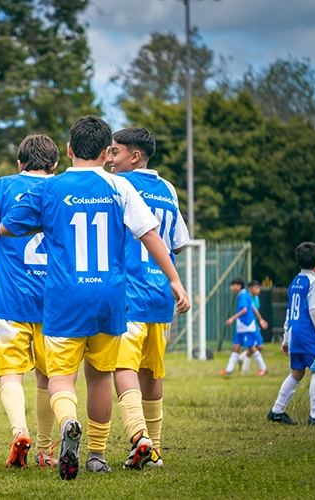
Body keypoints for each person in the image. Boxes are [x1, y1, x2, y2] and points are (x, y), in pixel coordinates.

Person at [0, 115, 190, 480]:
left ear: (69, 150)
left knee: (60, 377)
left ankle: (69, 421)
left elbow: (9, 226)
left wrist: (46, 222)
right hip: (109, 296)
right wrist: (175, 280)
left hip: (65, 299)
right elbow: (150, 234)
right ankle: (97, 456)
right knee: (101, 377)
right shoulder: (120, 188)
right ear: (106, 153)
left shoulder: (50, 189)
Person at [0, 134, 60, 469]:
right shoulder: (61, 187)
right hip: (54, 302)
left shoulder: (4, 186)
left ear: (20, 163)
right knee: (49, 378)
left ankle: (20, 430)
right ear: (54, 165)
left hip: (10, 298)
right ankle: (47, 450)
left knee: (11, 374)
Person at [108, 126, 190, 470]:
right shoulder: (167, 188)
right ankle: (154, 450)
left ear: (134, 156)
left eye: (114, 152)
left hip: (129, 292)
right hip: (161, 295)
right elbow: (178, 242)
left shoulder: (120, 186)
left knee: (121, 366)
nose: (109, 159)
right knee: (152, 374)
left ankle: (139, 436)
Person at [268, 242, 315, 427]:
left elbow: (289, 312)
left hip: (294, 333)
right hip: (308, 333)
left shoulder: (295, 282)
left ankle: (276, 411)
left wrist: (286, 337)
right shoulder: (314, 282)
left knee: (297, 372)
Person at [220, 277, 268, 376]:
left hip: (247, 325)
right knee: (236, 347)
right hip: (241, 326)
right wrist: (260, 319)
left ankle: (263, 368)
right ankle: (229, 370)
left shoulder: (242, 295)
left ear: (239, 285)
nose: (231, 288)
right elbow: (253, 308)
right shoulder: (245, 294)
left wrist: (232, 318)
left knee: (252, 346)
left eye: (233, 285)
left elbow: (245, 310)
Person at [238, 280, 269, 373]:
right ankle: (247, 368)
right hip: (248, 325)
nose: (258, 290)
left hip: (254, 325)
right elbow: (252, 310)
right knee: (252, 346)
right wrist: (260, 320)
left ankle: (242, 357)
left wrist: (258, 322)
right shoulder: (246, 297)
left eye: (258, 288)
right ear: (250, 288)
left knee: (259, 346)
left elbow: (255, 311)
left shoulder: (257, 298)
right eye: (256, 288)